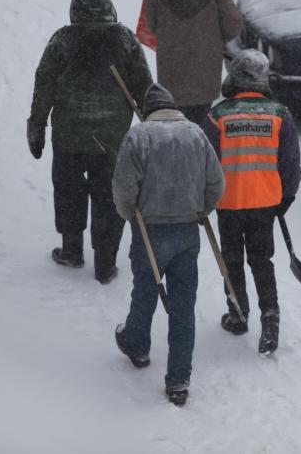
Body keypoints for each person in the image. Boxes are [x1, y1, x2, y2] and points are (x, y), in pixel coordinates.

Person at [27, 0, 152, 284]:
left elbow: (44, 85)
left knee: (69, 191)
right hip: (111, 138)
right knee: (108, 197)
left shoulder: (63, 41)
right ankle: (105, 263)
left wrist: (37, 126)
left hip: (69, 135)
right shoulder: (124, 40)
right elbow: (144, 86)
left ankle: (71, 250)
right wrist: (153, 124)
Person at [112, 84, 225, 406]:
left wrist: (131, 215)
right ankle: (178, 381)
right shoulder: (195, 134)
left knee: (145, 290)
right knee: (183, 307)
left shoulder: (139, 137)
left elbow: (123, 187)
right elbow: (216, 182)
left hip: (150, 230)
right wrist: (201, 210)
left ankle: (136, 345)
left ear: (148, 111)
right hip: (187, 231)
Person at [205, 49, 301, 355]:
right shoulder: (279, 114)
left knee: (231, 261)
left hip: (228, 204)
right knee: (262, 261)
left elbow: (206, 164)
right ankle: (270, 319)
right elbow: (290, 165)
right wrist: (285, 198)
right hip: (264, 206)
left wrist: (204, 199)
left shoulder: (217, 116)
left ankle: (238, 314)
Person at [143, 0, 243, 130]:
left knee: (177, 128)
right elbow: (233, 25)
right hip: (205, 75)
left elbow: (151, 25)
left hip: (171, 75)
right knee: (203, 127)